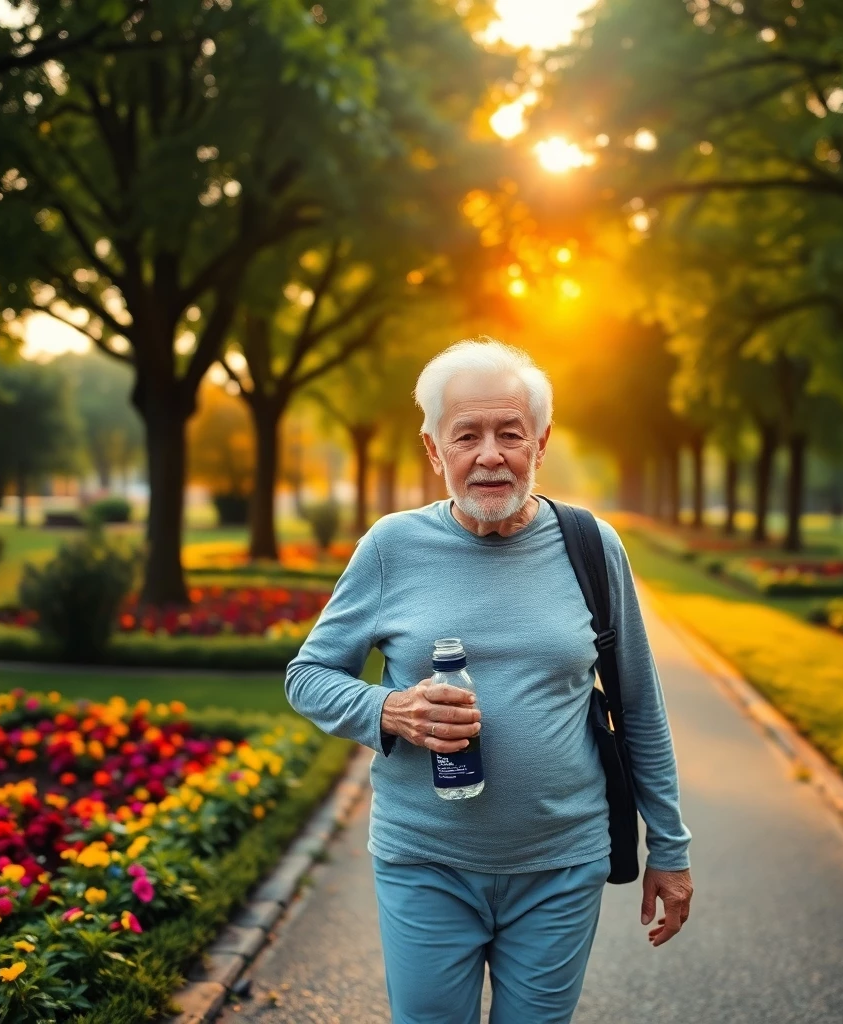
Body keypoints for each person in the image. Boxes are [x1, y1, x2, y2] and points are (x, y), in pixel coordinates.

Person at [285, 338, 693, 1024]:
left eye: (510, 433)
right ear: (433, 449)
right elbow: (308, 675)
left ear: (541, 442)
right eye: (466, 435)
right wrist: (391, 710)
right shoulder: (391, 547)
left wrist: (671, 849)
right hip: (425, 862)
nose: (490, 455)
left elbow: (640, 708)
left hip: (563, 865)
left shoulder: (593, 546)